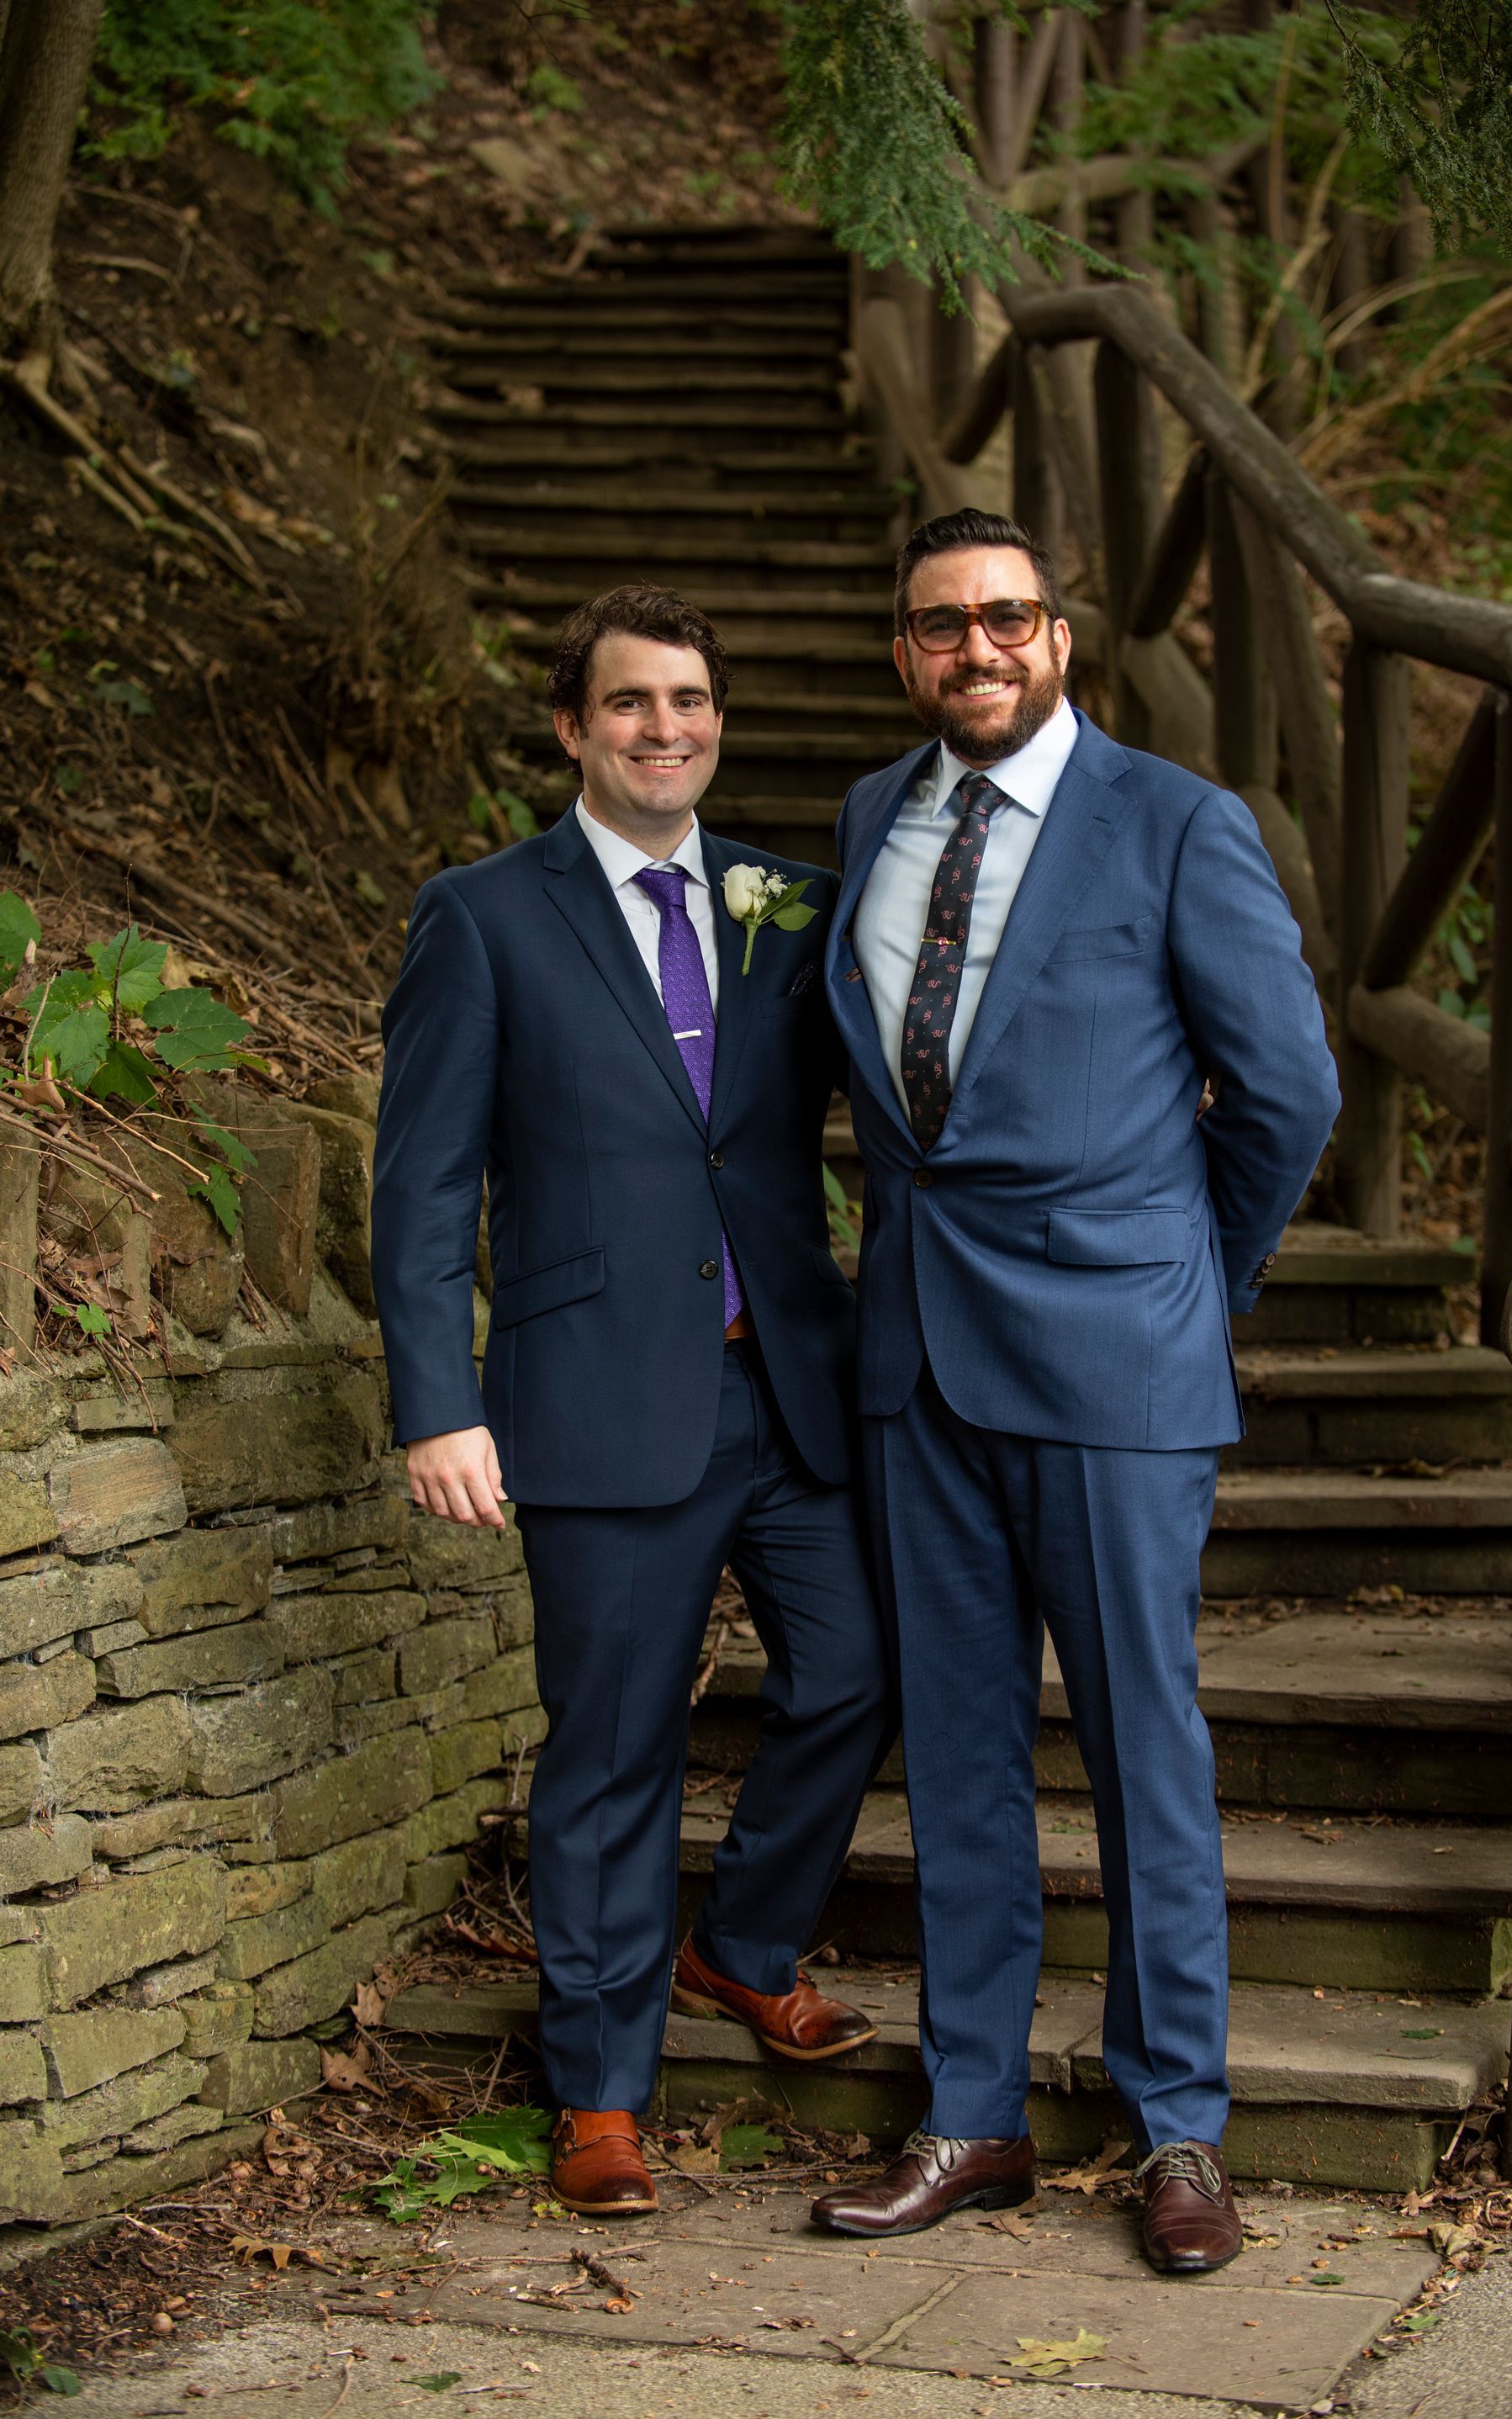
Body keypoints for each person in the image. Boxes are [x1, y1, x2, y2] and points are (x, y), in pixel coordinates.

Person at [808, 510, 1340, 2273]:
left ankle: (1179, 2124)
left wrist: (1195, 1278)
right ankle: (973, 2114)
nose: (978, 647)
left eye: (1009, 616)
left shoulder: (1180, 824)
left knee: (1142, 1747)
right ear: (907, 652)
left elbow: (1286, 1097)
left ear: (1059, 637)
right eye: (942, 623)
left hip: (1116, 1356)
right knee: (956, 1756)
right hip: (920, 1363)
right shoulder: (869, 820)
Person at [371, 583, 894, 2221]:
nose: (665, 729)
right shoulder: (484, 914)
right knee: (608, 1751)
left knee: (860, 1671)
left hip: (789, 1385)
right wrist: (436, 1402)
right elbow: (421, 1183)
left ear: (717, 722)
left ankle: (739, 1946)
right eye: (629, 704)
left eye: (689, 703)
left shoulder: (792, 906)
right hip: (593, 1395)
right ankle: (599, 2086)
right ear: (571, 728)